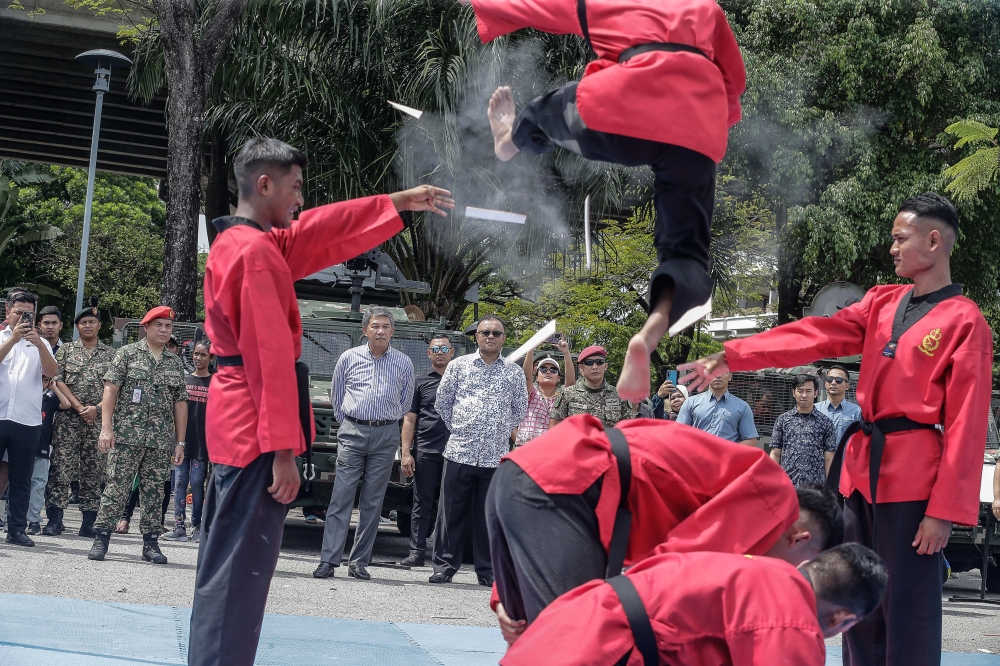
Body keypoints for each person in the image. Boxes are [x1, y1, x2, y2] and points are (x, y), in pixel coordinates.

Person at [681, 193, 993, 666]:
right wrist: (735, 354)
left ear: (933, 241)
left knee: (907, 607)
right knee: (854, 595)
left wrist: (944, 511)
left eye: (899, 238)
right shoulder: (883, 302)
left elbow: (967, 424)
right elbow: (813, 334)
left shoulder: (965, 321)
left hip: (914, 480)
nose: (892, 248)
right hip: (860, 475)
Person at [188, 137, 453, 666]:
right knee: (239, 574)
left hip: (239, 420)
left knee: (228, 568)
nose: (300, 201)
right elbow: (269, 359)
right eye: (295, 188)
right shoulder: (257, 254)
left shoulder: (244, 243)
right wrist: (285, 449)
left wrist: (396, 202)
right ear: (265, 185)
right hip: (255, 428)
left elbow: (319, 231)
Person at [459, 0, 745, 402]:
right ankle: (648, 333)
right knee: (685, 254)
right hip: (696, 126)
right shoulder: (707, 10)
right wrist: (719, 118)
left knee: (544, 110)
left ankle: (510, 141)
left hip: (622, 108)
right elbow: (736, 82)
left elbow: (538, 6)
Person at [487, 415, 843, 643]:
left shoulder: (754, 489)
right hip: (571, 485)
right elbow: (677, 571)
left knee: (529, 640)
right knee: (577, 640)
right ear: (800, 537)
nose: (784, 580)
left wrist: (505, 592)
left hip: (530, 473)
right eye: (797, 570)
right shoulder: (774, 497)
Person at [501, 543, 888, 666]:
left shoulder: (751, 565)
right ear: (842, 618)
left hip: (563, 630)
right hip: (596, 651)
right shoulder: (793, 618)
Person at [314, 307, 415, 580]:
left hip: (385, 436)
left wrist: (386, 421)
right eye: (375, 326)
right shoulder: (349, 358)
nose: (380, 330)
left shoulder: (404, 363)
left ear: (392, 331)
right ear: (365, 330)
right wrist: (350, 423)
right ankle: (329, 560)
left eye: (385, 326)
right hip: (353, 431)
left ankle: (359, 562)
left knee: (374, 501)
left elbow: (406, 402)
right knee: (341, 496)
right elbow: (337, 396)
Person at [430, 315, 528, 586]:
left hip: (495, 456)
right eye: (486, 332)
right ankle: (444, 567)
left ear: (504, 338)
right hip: (460, 450)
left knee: (488, 517)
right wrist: (462, 427)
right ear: (477, 337)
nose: (491, 337)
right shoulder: (458, 366)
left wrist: (496, 430)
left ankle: (487, 571)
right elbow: (443, 403)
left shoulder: (513, 371)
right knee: (451, 513)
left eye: (497, 333)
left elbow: (519, 409)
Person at [87, 306, 188, 564]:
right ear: (146, 327)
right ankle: (102, 537)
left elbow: (180, 403)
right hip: (125, 436)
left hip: (159, 440)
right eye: (159, 325)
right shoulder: (127, 354)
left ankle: (151, 543)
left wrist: (180, 442)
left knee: (155, 492)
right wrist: (106, 428)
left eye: (168, 326)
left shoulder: (175, 362)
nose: (164, 330)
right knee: (116, 487)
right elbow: (110, 392)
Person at [42, 303, 115, 537]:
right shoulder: (66, 351)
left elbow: (114, 388)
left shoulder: (112, 355)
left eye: (92, 322)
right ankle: (54, 520)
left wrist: (95, 408)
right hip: (68, 420)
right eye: (83, 322)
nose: (87, 325)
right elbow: (59, 380)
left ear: (99, 325)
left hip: (97, 421)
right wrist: (81, 407)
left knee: (94, 471)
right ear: (76, 327)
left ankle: (89, 522)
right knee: (61, 469)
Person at [0, 288, 58, 546]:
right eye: (19, 313)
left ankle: (16, 530)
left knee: (22, 477)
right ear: (7, 311)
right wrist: (12, 340)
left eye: (29, 314)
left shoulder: (41, 343)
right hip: (0, 415)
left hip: (28, 420)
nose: (23, 318)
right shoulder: (2, 337)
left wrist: (37, 343)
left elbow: (51, 371)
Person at [398, 335, 455, 567]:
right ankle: (416, 552)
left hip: (457, 451)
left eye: (444, 348)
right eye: (435, 349)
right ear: (428, 354)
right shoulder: (419, 381)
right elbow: (410, 419)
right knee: (422, 502)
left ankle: (445, 556)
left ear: (452, 353)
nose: (440, 352)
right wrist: (406, 452)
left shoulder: (461, 380)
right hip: (427, 449)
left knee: (452, 504)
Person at [163, 339, 214, 543]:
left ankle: (198, 526)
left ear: (211, 357)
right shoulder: (185, 381)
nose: (198, 358)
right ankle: (178, 526)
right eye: (195, 354)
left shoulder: (216, 383)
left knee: (196, 482)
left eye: (203, 355)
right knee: (180, 482)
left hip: (203, 443)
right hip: (182, 442)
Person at [770, 374, 838, 488]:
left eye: (808, 391)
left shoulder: (826, 422)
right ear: (793, 392)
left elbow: (829, 457)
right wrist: (772, 480)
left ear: (815, 393)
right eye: (800, 391)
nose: (804, 395)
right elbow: (775, 453)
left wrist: (830, 486)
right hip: (787, 484)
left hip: (815, 487)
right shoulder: (783, 420)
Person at [26, 376, 70, 534]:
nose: (42, 384)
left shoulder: (49, 400)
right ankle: (12, 518)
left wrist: (54, 387)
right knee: (18, 483)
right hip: (22, 447)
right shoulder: (23, 397)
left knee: (38, 484)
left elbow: (66, 404)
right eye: (40, 380)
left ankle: (33, 520)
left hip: (42, 448)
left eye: (46, 381)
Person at [514, 336, 575, 447]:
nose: (548, 372)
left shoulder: (561, 395)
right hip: (525, 448)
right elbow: (526, 377)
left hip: (549, 450)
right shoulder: (531, 392)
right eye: (543, 369)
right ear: (536, 376)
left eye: (553, 370)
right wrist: (531, 348)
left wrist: (566, 353)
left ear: (558, 378)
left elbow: (570, 383)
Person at [550, 346, 631, 428]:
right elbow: (554, 427)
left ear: (605, 366)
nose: (595, 367)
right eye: (589, 362)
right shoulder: (567, 394)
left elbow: (629, 428)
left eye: (600, 362)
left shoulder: (620, 396)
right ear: (581, 368)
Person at [676, 372, 757, 446]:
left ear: (730, 376)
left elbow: (751, 440)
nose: (718, 375)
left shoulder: (743, 407)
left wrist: (727, 451)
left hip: (727, 460)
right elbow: (678, 433)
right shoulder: (691, 403)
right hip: (697, 458)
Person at [817, 364, 862, 443]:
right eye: (830, 379)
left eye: (838, 380)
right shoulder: (815, 410)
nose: (833, 383)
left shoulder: (857, 412)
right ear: (825, 384)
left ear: (847, 386)